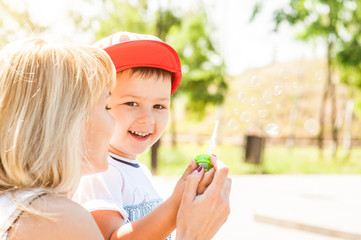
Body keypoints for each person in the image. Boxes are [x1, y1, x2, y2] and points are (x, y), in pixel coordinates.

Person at [0, 37, 231, 240]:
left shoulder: (21, 207)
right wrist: (188, 229)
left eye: (159, 105)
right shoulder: (55, 219)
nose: (146, 118)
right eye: (106, 105)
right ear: (65, 120)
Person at [72, 31, 232, 240]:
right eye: (131, 103)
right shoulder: (97, 173)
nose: (147, 119)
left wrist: (189, 198)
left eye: (159, 105)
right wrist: (176, 206)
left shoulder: (140, 172)